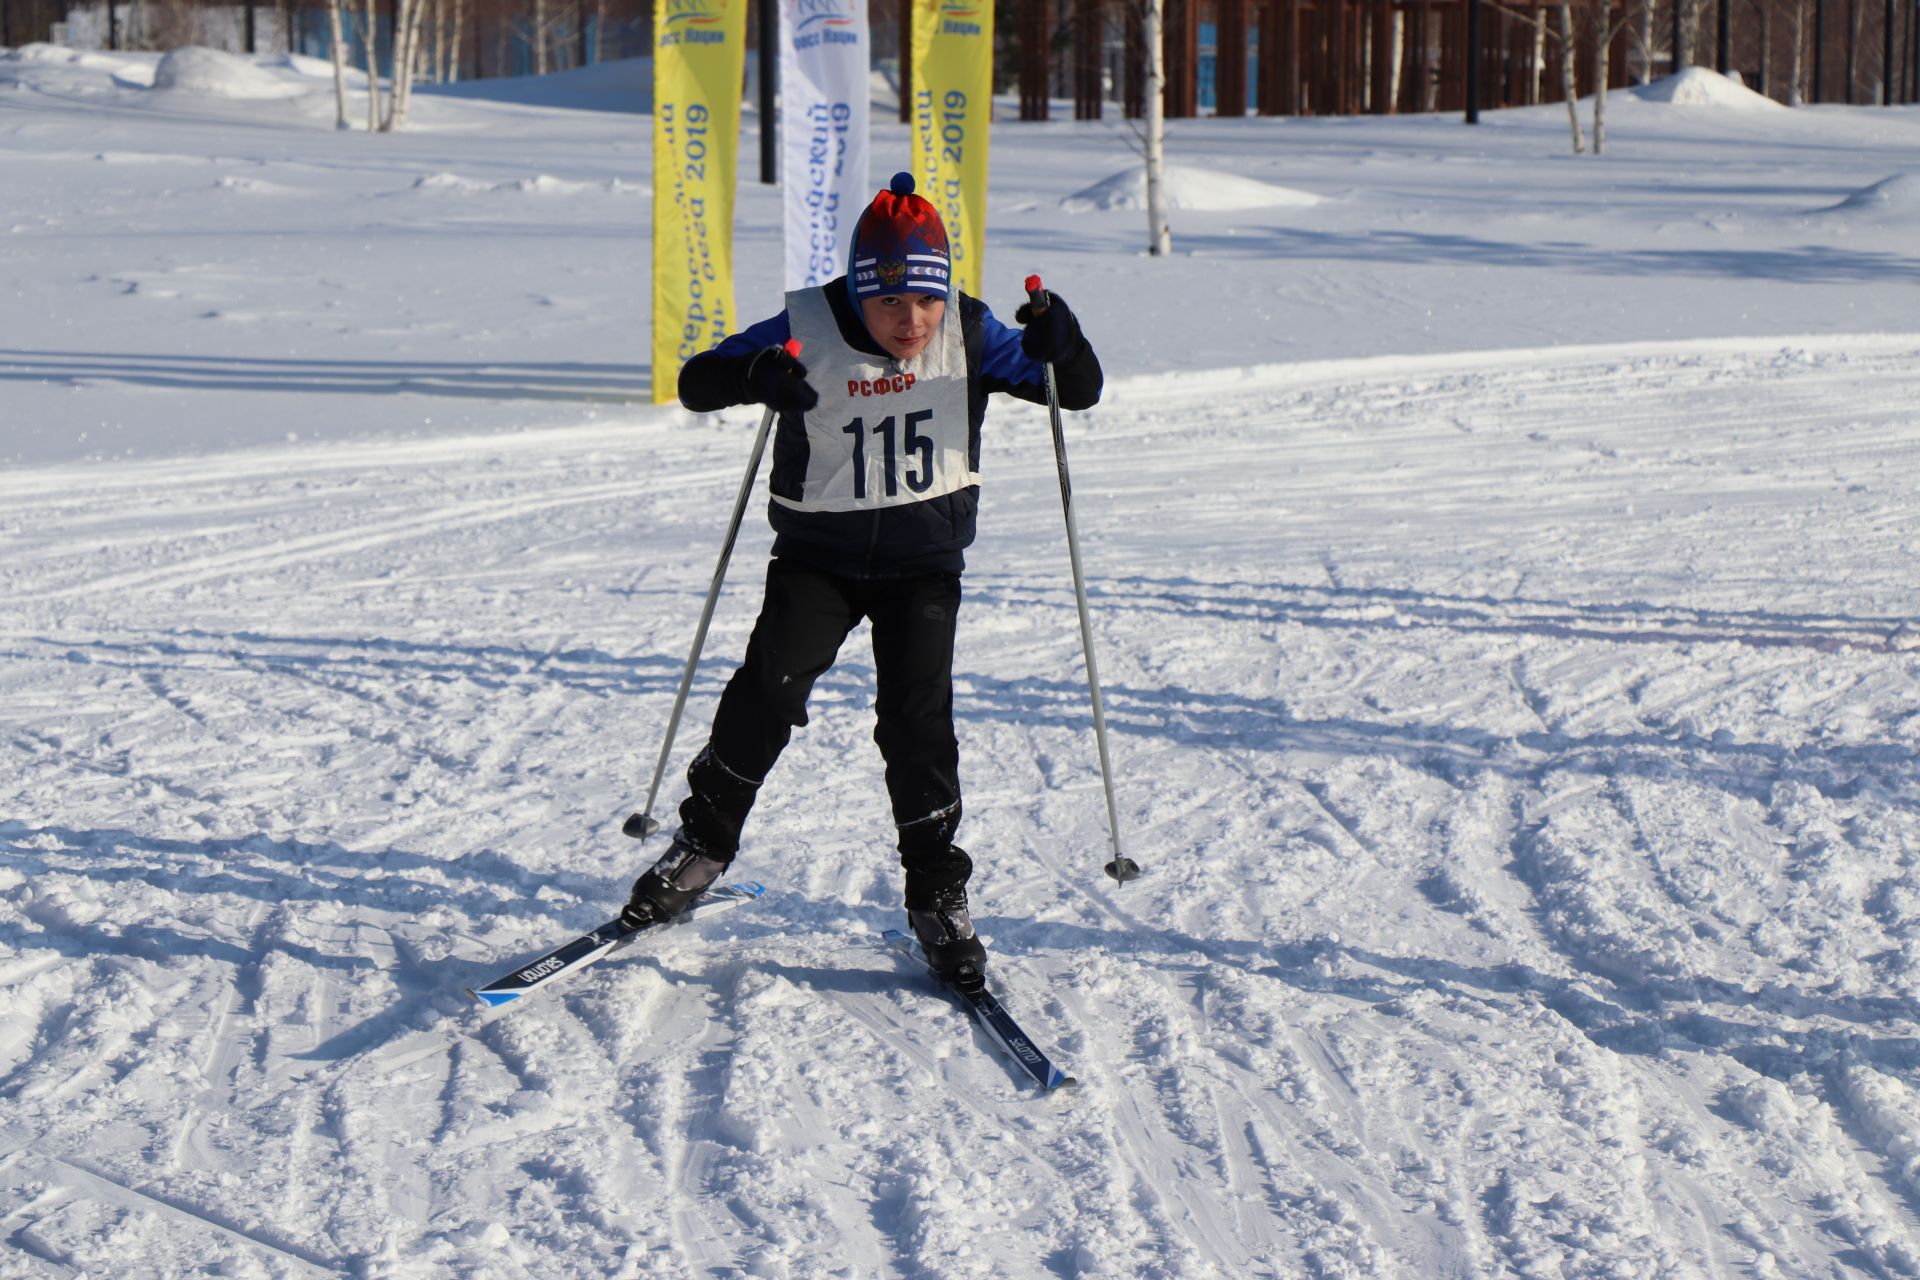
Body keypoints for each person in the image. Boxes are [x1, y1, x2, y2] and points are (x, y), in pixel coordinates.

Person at [622, 172, 1104, 979]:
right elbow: (697, 381)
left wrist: (1066, 342)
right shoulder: (809, 324)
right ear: (856, 288)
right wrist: (756, 377)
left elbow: (1078, 392)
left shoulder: (973, 332)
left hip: (923, 569)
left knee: (917, 726)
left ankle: (937, 895)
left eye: (924, 301)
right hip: (818, 560)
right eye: (887, 304)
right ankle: (702, 848)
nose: (909, 322)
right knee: (766, 696)